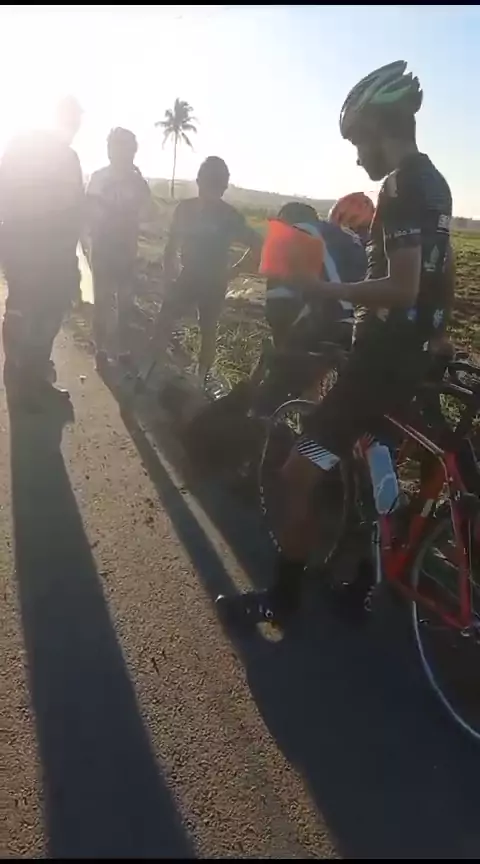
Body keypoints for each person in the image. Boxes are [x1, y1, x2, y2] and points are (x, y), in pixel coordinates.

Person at [216, 60, 455, 628]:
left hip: (381, 360)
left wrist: (326, 289)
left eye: (356, 141)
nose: (357, 156)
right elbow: (438, 271)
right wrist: (440, 332)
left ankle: (282, 598)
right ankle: (370, 578)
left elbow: (402, 285)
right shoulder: (436, 182)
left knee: (296, 474)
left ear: (377, 128)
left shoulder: (398, 187)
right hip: (417, 354)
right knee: (381, 462)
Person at [140, 156, 262, 387]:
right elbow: (171, 245)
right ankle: (151, 368)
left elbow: (257, 244)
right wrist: (169, 275)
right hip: (189, 274)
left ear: (223, 188)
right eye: (208, 187)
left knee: (207, 329)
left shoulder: (229, 216)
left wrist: (234, 271)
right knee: (164, 320)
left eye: (216, 188)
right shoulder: (185, 209)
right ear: (199, 182)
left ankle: (200, 379)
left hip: (215, 280)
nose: (211, 194)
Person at [1, 95, 84, 409]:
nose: (74, 128)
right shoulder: (34, 149)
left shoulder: (24, 146)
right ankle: (28, 376)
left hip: (32, 247)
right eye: (72, 121)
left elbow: (75, 209)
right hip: (36, 248)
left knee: (31, 310)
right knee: (36, 313)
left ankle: (22, 373)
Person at [85, 127, 152, 373]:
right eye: (116, 147)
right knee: (103, 301)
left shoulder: (137, 181)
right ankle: (102, 349)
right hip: (104, 247)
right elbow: (90, 210)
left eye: (125, 148)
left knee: (125, 303)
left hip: (125, 249)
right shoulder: (99, 177)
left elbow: (147, 211)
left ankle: (122, 350)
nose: (120, 153)